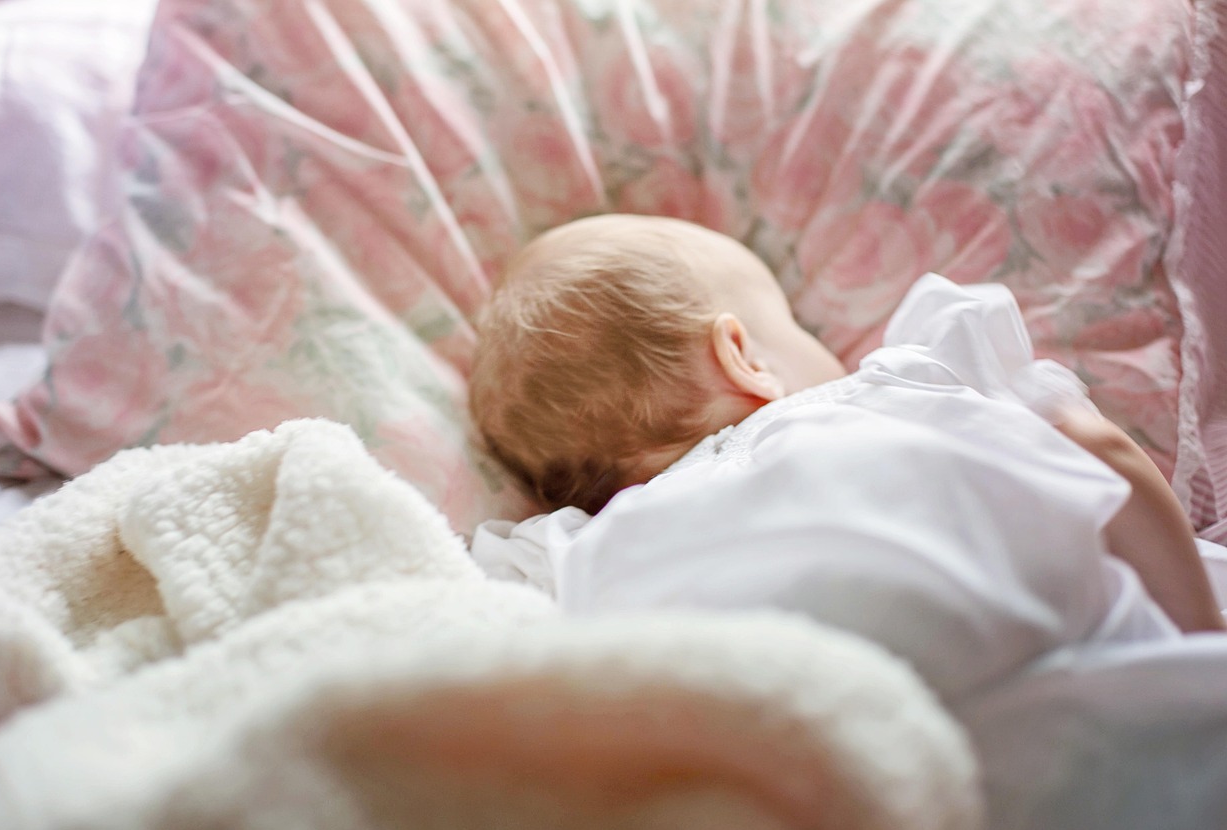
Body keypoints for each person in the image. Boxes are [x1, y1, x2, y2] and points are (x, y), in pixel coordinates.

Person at [468, 214, 1225, 682]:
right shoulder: (904, 384)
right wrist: (1200, 644)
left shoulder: (570, 551)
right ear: (743, 356)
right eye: (796, 324)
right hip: (1077, 682)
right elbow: (1099, 450)